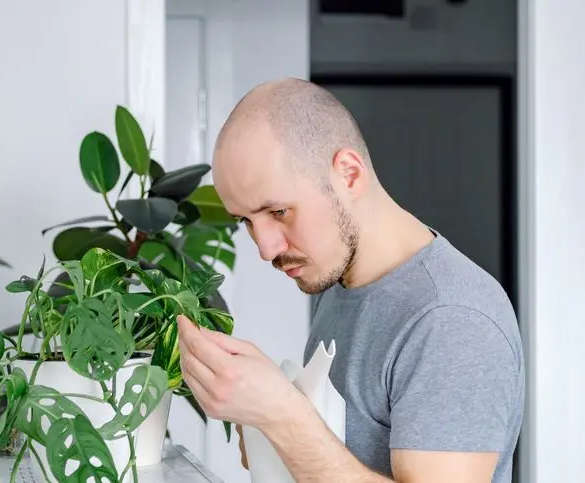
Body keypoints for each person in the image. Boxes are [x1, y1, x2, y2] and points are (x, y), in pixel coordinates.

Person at [176, 77, 524, 483]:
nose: (266, 248)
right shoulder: (341, 284)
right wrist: (263, 424)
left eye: (278, 212)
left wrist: (282, 415)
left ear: (349, 174)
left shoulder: (452, 320)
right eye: (246, 221)